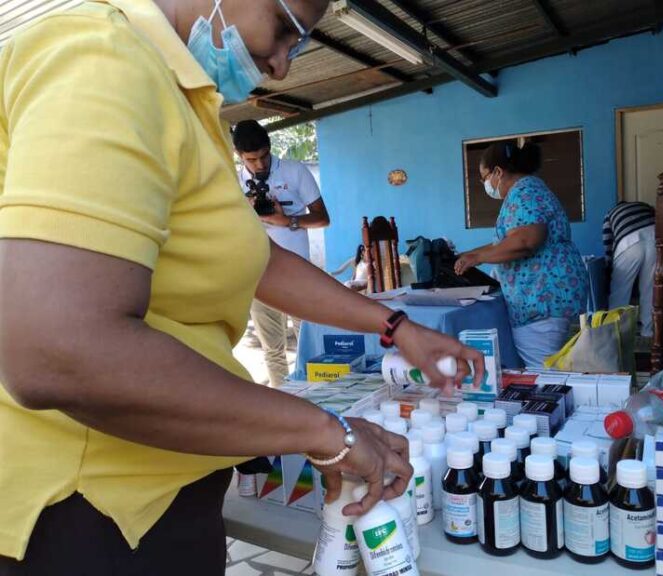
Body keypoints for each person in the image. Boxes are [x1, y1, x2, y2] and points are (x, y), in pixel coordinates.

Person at [0, 1, 484, 574]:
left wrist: (397, 327)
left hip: (163, 488)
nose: (280, 66)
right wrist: (324, 432)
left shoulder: (179, 95)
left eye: (297, 44)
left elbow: (256, 263)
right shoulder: (105, 63)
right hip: (90, 508)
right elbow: (57, 352)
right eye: (284, 30)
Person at [454, 141, 588, 368]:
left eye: (484, 176)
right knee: (558, 368)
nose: (484, 183)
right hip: (551, 300)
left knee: (546, 378)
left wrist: (478, 258)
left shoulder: (525, 194)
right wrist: (469, 254)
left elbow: (525, 241)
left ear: (498, 171)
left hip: (541, 303)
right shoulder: (529, 190)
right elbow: (507, 241)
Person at [233, 119, 330, 386]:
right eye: (252, 160)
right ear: (239, 156)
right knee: (272, 350)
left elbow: (323, 219)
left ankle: (313, 397)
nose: (260, 165)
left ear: (270, 147)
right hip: (257, 275)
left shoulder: (295, 171)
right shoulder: (231, 183)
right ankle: (283, 399)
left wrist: (287, 220)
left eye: (264, 156)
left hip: (298, 273)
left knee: (308, 343)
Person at [602, 201, 656, 338]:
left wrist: (609, 265)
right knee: (649, 289)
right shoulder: (644, 205)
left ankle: (614, 334)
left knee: (620, 291)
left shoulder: (609, 214)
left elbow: (607, 241)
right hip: (654, 237)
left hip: (629, 242)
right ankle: (647, 332)